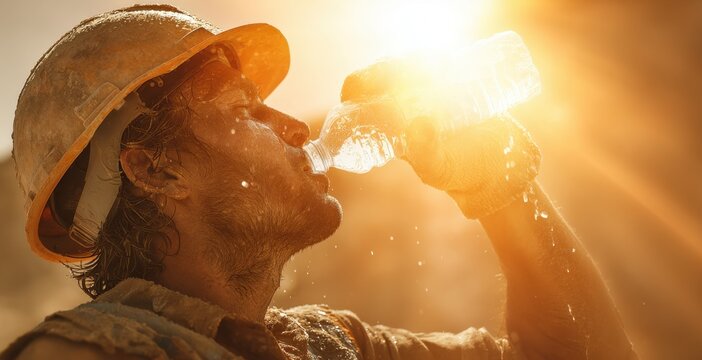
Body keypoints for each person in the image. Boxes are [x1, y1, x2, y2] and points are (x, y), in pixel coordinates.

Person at [3, 4, 636, 360]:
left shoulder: (327, 345)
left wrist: (503, 189)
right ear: (154, 169)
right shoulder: (86, 353)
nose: (298, 129)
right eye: (246, 109)